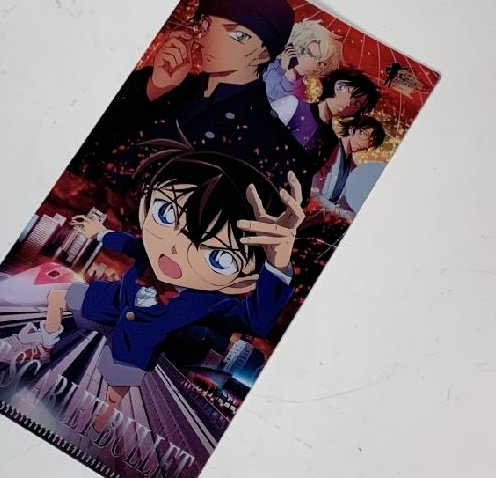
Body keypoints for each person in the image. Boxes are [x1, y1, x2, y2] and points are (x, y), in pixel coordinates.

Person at [37, 136, 304, 430]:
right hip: (110, 300)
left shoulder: (208, 300)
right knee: (58, 296)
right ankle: (43, 346)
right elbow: (128, 244)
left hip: (137, 345)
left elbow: (255, 320)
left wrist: (277, 265)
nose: (177, 248)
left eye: (218, 256)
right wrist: (99, 233)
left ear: (243, 279)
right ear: (147, 205)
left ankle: (101, 421)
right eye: (166, 213)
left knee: (115, 389)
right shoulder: (147, 253)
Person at [74, 0, 316, 195]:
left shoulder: (275, 146)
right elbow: (82, 143)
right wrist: (154, 88)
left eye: (237, 35)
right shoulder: (164, 84)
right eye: (206, 25)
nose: (212, 40)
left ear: (263, 53)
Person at [284, 68, 382, 165]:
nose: (348, 103)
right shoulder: (295, 105)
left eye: (357, 103)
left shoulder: (331, 140)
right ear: (334, 84)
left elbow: (312, 169)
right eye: (344, 89)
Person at [262, 18, 343, 123]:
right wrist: (282, 68)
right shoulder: (273, 65)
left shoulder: (303, 87)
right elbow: (265, 91)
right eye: (308, 53)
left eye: (321, 64)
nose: (315, 66)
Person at [312, 115, 386, 218]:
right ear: (351, 129)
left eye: (370, 143)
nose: (365, 144)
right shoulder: (328, 147)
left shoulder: (353, 169)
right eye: (363, 134)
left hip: (324, 217)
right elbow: (312, 189)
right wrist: (336, 211)